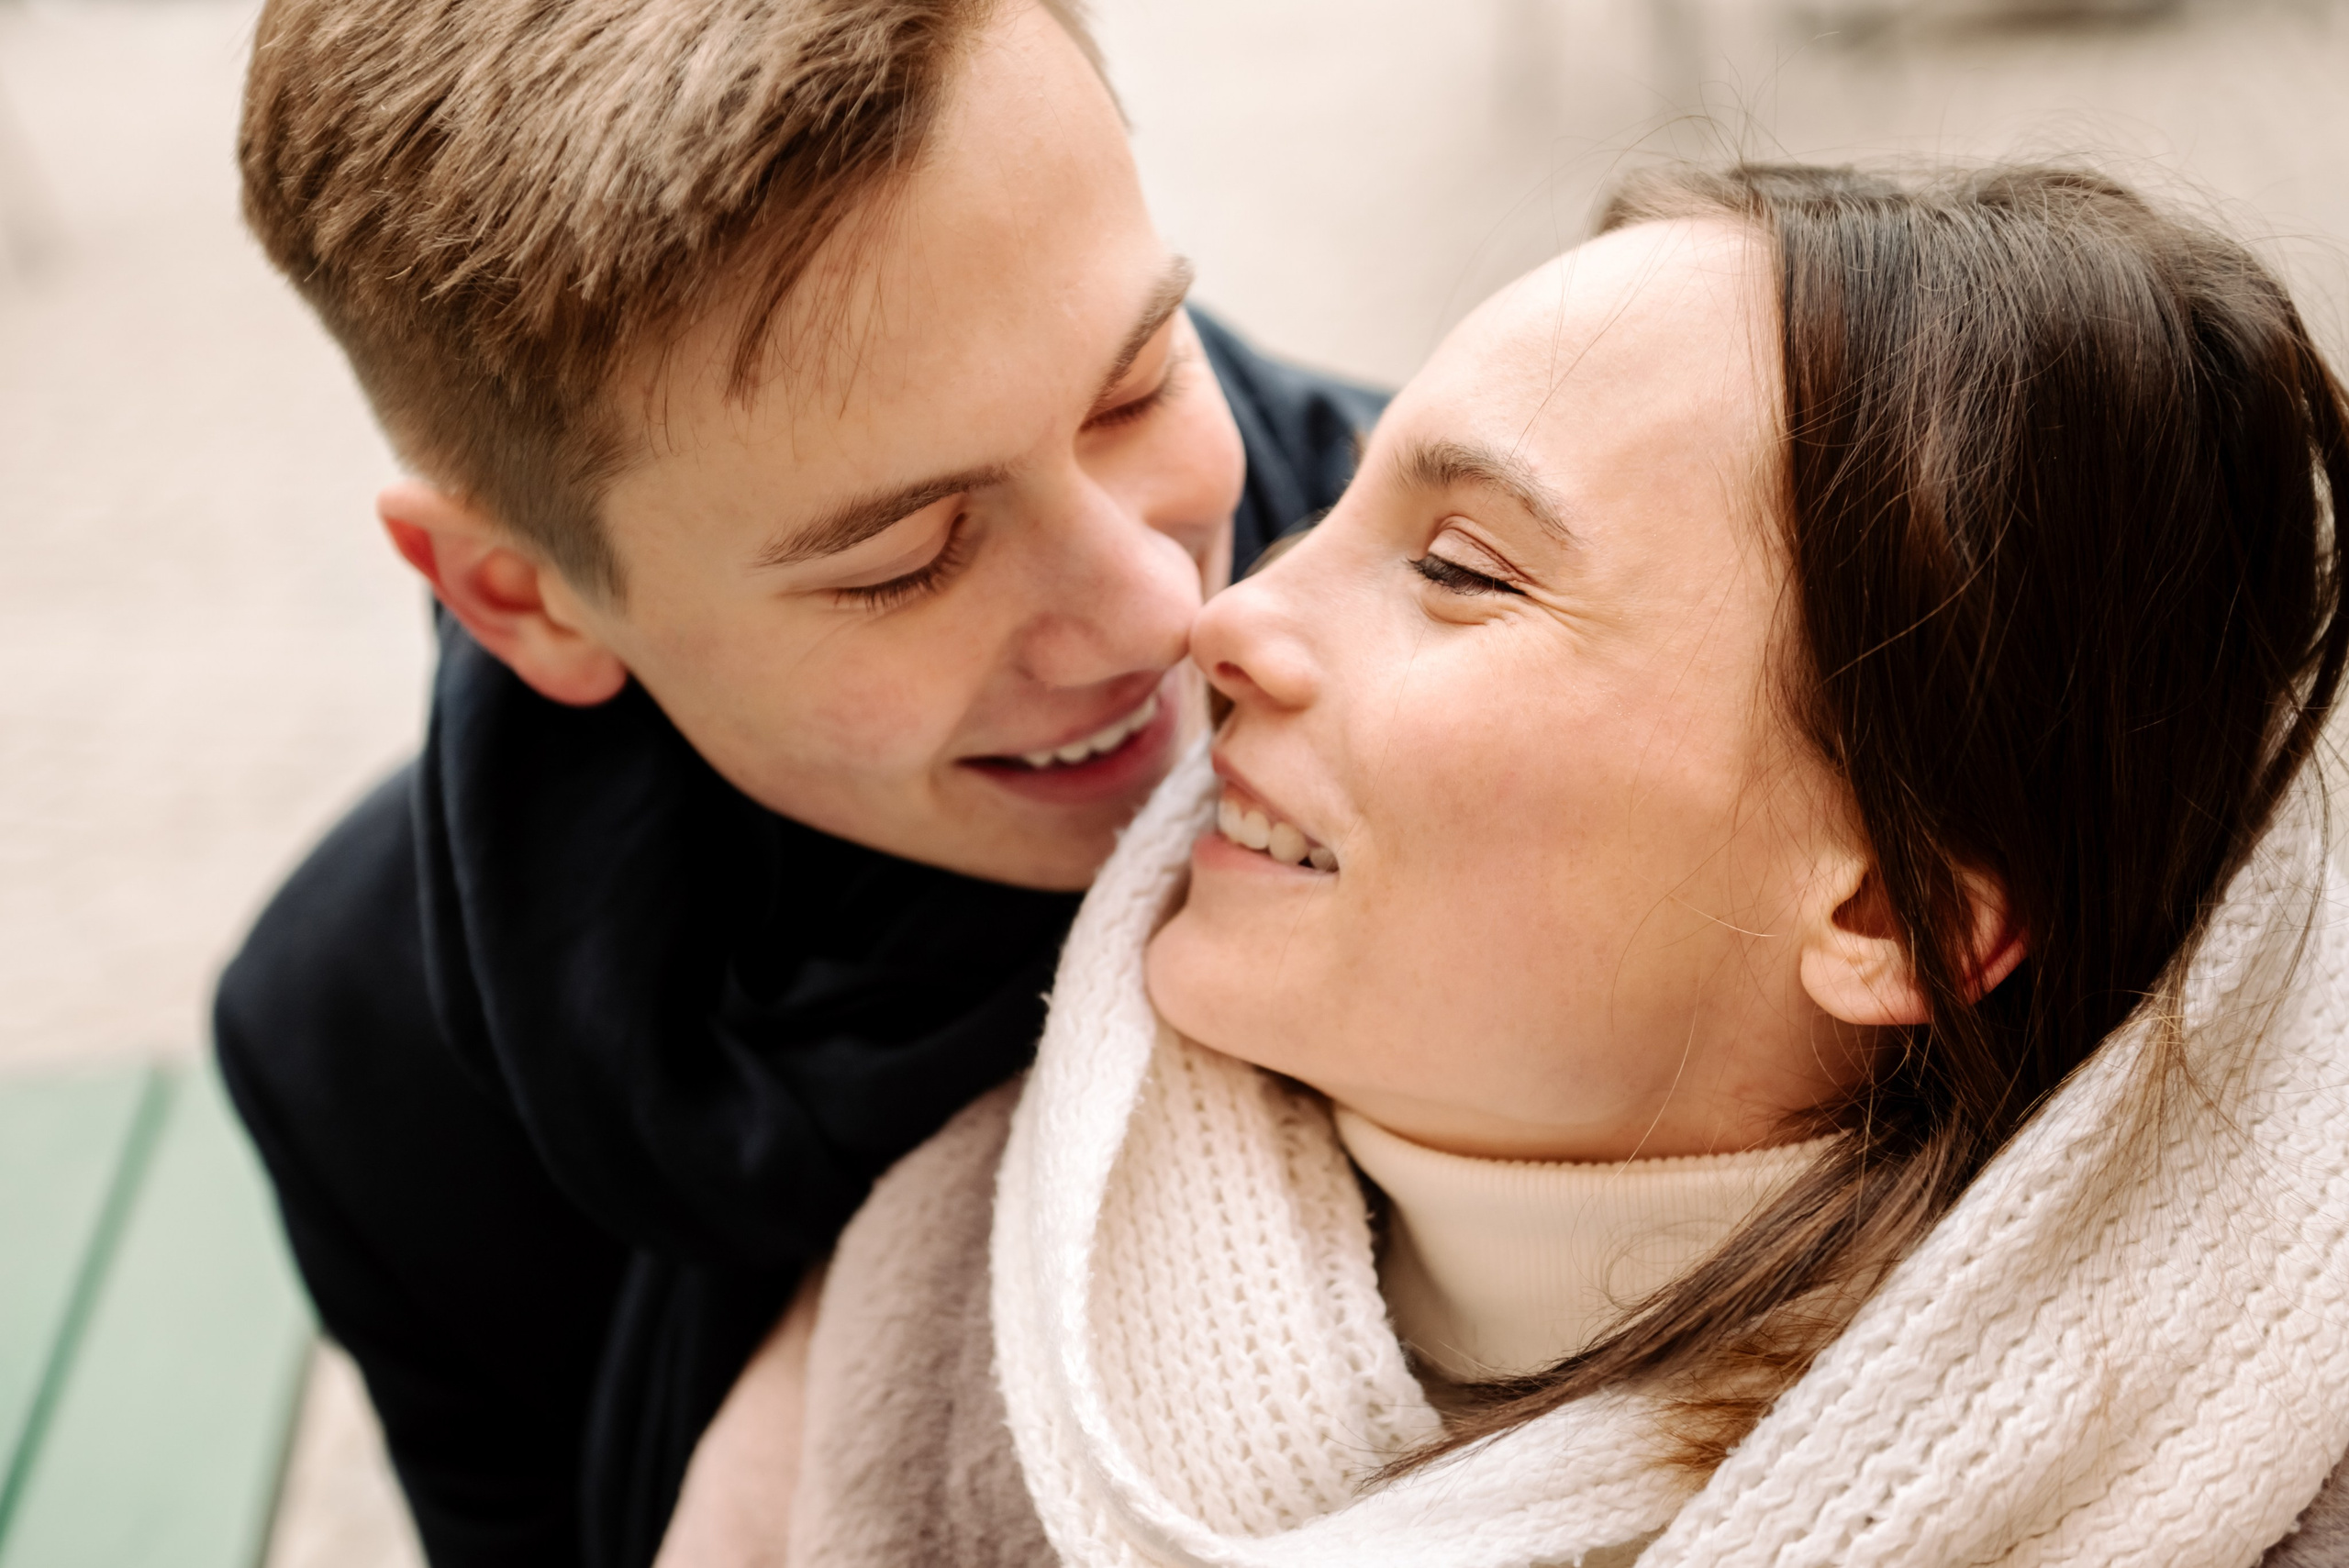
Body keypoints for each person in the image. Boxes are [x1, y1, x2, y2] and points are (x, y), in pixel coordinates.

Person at [748, 163, 2349, 1566]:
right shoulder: (936, 1319)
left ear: (1888, 909)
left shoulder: (2281, 1478)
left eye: (1458, 568)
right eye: (1342, 509)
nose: (1225, 621)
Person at [209, 1, 1382, 1564]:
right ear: (521, 596)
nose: (1161, 616)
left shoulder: (1591, 677)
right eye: (904, 560)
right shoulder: (370, 1056)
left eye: (1137, 385)